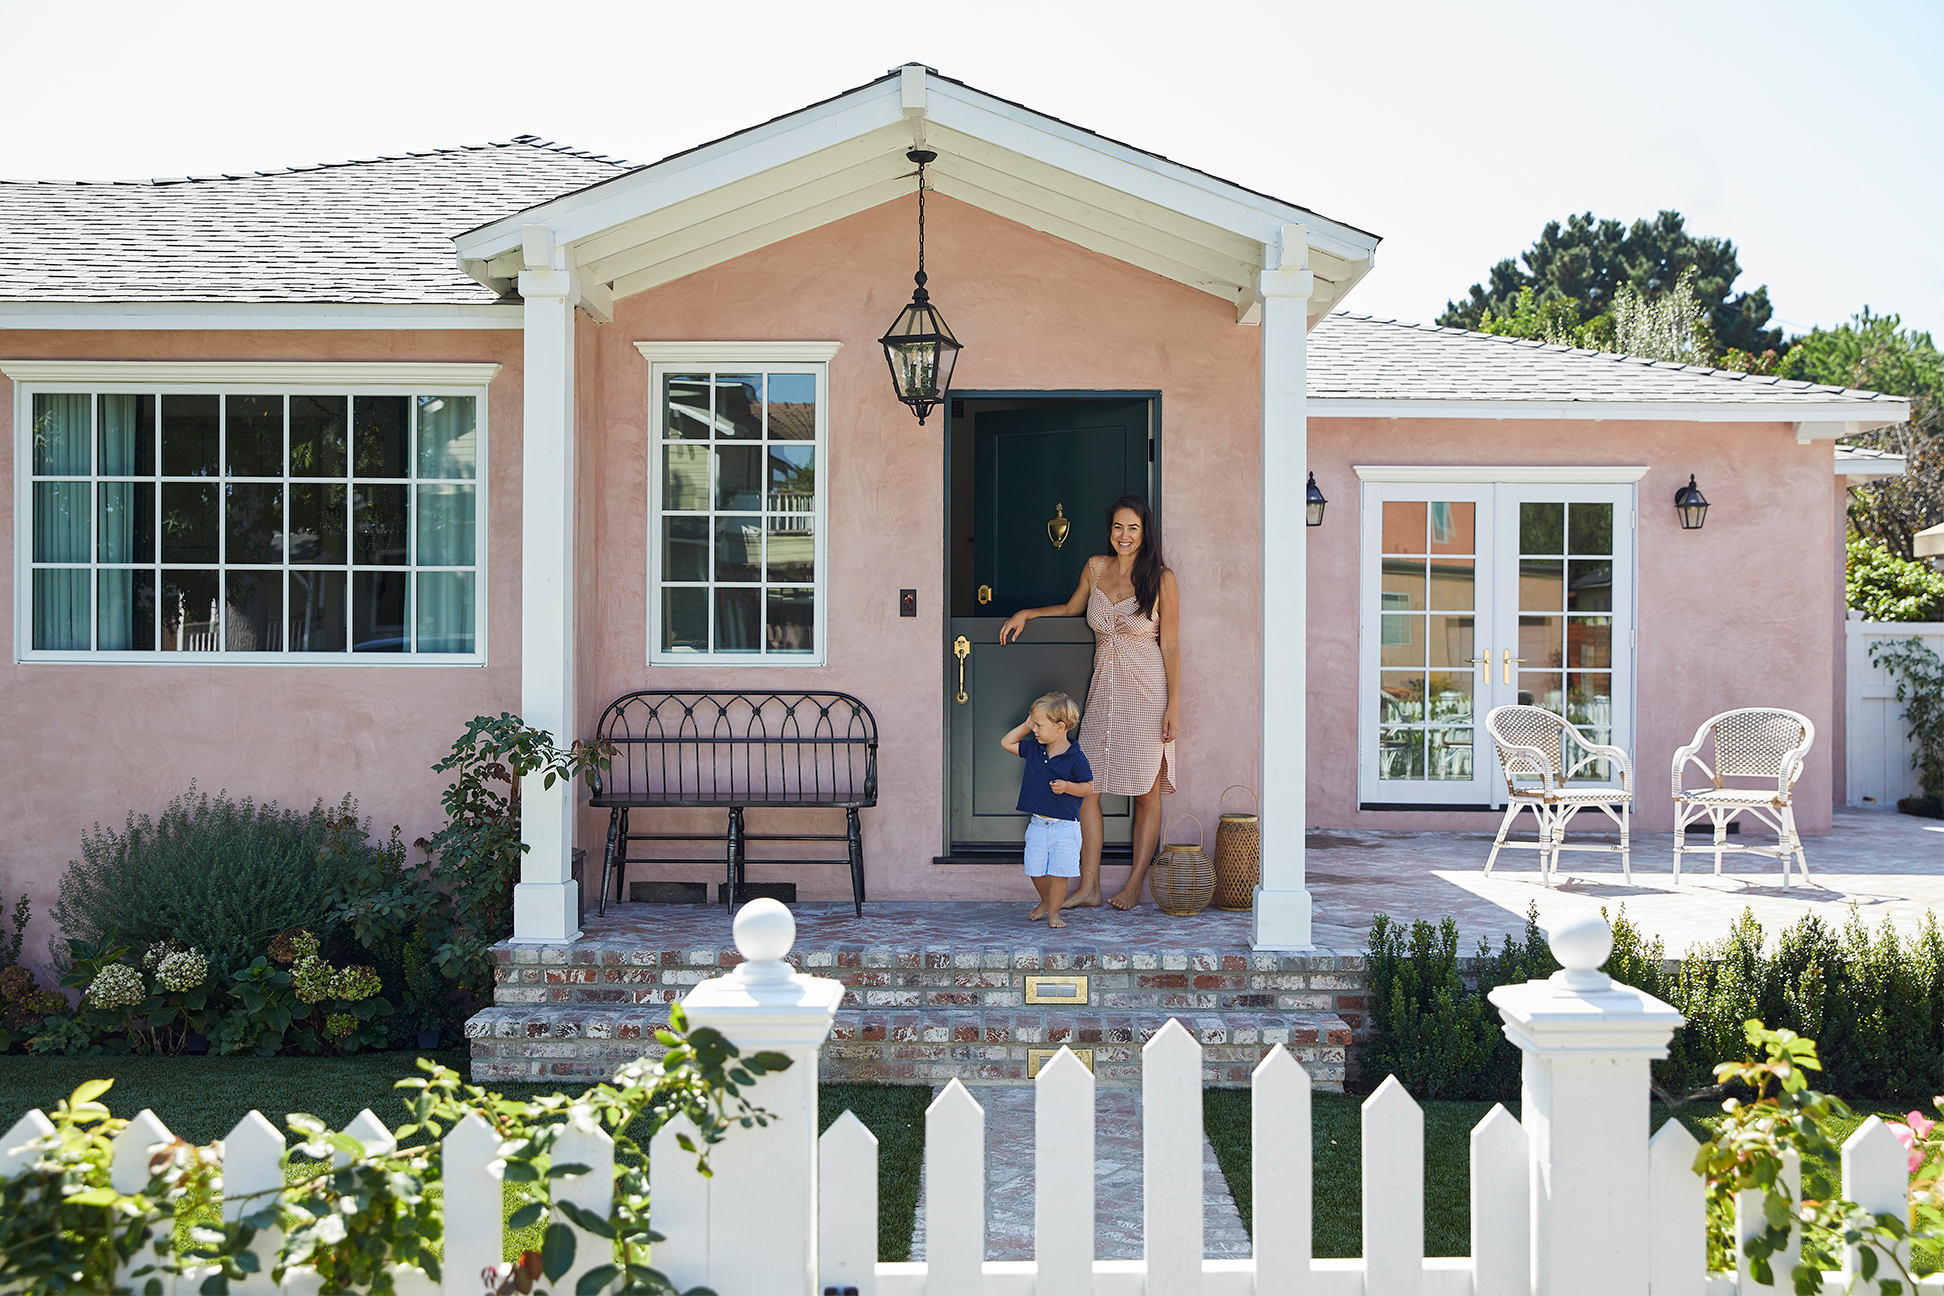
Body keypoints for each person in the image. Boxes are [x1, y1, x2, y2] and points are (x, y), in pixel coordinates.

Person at [1000, 495, 1178, 910]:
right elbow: (1070, 607)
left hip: (1148, 691)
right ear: (1109, 530)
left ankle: (1135, 884)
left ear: (1144, 531)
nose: (1124, 536)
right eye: (1118, 527)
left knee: (1147, 790)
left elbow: (1169, 644)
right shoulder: (1096, 568)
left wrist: (1174, 705)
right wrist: (1028, 612)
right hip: (1104, 691)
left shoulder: (1162, 578)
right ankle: (1091, 886)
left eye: (1133, 528)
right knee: (1089, 789)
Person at [999, 692, 1095, 928]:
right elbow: (1006, 743)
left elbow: (1089, 788)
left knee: (1059, 873)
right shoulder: (1034, 749)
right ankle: (1045, 899)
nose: (1035, 730)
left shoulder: (1076, 758)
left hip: (1065, 827)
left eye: (1039, 725)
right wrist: (1026, 724)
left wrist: (1068, 787)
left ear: (1060, 727)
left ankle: (1054, 912)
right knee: (1035, 869)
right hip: (1038, 825)